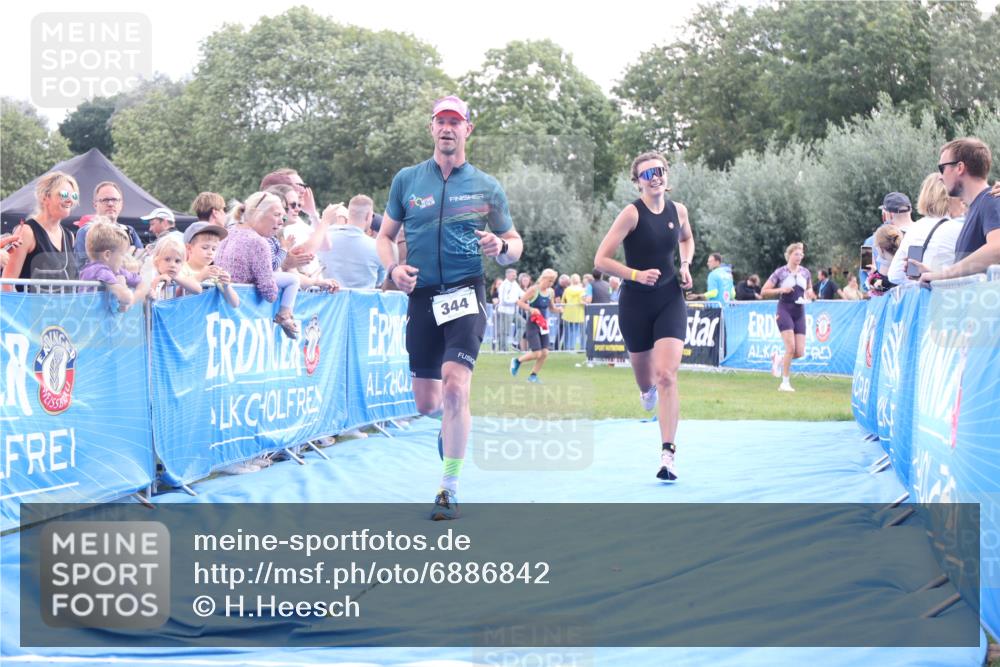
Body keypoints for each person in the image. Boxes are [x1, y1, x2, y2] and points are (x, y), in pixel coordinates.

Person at [376, 95, 523, 521]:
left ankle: (449, 486)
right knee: (427, 402)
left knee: (457, 386)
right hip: (422, 295)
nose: (447, 128)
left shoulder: (485, 186)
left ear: (467, 130)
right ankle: (451, 424)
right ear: (431, 128)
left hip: (465, 291)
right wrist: (393, 268)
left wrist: (502, 249)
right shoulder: (407, 181)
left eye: (455, 122)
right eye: (441, 121)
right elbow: (385, 236)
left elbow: (514, 243)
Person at [594, 151, 695, 482]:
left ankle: (668, 454)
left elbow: (687, 238)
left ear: (667, 174)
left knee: (666, 374)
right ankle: (646, 392)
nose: (655, 176)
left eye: (660, 170)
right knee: (646, 383)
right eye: (647, 173)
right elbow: (601, 259)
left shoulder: (678, 210)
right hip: (635, 303)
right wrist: (635, 275)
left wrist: (684, 264)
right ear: (637, 182)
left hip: (670, 298)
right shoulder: (631, 214)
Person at [216, 192, 304, 339]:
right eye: (276, 215)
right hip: (240, 315)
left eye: (282, 217)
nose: (281, 222)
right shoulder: (258, 242)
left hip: (223, 310)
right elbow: (270, 294)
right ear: (258, 213)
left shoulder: (229, 231)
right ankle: (285, 315)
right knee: (293, 279)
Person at [913, 137, 1000, 282]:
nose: (940, 177)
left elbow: (997, 248)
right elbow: (975, 273)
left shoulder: (992, 199)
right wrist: (935, 275)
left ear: (960, 168)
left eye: (942, 168)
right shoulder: (979, 206)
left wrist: (943, 275)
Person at [2, 171, 80, 289]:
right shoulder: (27, 232)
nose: (70, 200)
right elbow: (7, 283)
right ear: (45, 197)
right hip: (30, 306)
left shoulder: (69, 236)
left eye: (74, 196)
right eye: (64, 194)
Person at [888, 173, 963, 285]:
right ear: (951, 198)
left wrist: (913, 277)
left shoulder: (914, 229)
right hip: (949, 296)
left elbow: (894, 275)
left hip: (922, 298)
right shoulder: (959, 229)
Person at [761, 242, 812, 392]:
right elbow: (764, 291)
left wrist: (810, 293)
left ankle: (778, 360)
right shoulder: (780, 272)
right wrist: (781, 289)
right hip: (784, 310)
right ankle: (785, 383)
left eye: (801, 254)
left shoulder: (806, 272)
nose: (799, 257)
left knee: (800, 352)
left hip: (800, 311)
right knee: (790, 348)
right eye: (796, 254)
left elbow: (810, 289)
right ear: (789, 255)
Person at [78, 220, 154, 310]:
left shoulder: (117, 270)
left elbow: (143, 284)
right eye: (122, 255)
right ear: (107, 255)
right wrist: (122, 284)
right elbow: (125, 297)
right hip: (90, 320)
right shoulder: (98, 270)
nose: (124, 259)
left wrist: (131, 302)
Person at [317, 194, 385, 288]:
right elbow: (380, 281)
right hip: (364, 301)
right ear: (369, 215)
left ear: (349, 213)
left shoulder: (324, 239)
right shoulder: (378, 247)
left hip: (330, 300)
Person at [510, 268, 561, 383]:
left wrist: (559, 310)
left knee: (545, 352)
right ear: (543, 279)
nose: (551, 284)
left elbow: (551, 308)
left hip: (543, 325)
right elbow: (519, 302)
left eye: (553, 281)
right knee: (537, 353)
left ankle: (533, 376)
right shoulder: (534, 290)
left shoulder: (551, 292)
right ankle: (517, 361)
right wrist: (531, 308)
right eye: (549, 281)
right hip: (532, 324)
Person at [74, 182, 143, 266]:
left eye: (114, 200)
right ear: (95, 204)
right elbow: (83, 268)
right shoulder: (85, 232)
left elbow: (141, 263)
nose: (110, 204)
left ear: (121, 204)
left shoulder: (130, 232)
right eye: (105, 200)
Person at [183, 222, 240, 308]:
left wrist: (226, 285)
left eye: (214, 249)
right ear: (189, 248)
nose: (210, 252)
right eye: (205, 247)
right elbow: (176, 297)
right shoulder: (181, 269)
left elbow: (234, 304)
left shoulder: (214, 273)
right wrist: (200, 277)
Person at [867, 226, 902, 296]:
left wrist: (873, 275)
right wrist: (875, 272)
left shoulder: (895, 269)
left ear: (880, 248)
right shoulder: (902, 261)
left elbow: (882, 285)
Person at [496, 268, 523, 350]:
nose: (515, 276)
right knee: (505, 331)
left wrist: (529, 296)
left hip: (513, 311)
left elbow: (521, 293)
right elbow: (503, 300)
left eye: (515, 275)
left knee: (523, 324)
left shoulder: (515, 284)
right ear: (507, 275)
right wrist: (516, 301)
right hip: (504, 311)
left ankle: (515, 343)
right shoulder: (503, 285)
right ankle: (503, 349)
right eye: (513, 275)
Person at [560, 274, 586, 350]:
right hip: (578, 313)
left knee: (568, 332)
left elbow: (563, 301)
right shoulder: (582, 290)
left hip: (568, 313)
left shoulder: (567, 290)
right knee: (576, 332)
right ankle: (575, 347)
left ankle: (568, 347)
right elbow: (582, 301)